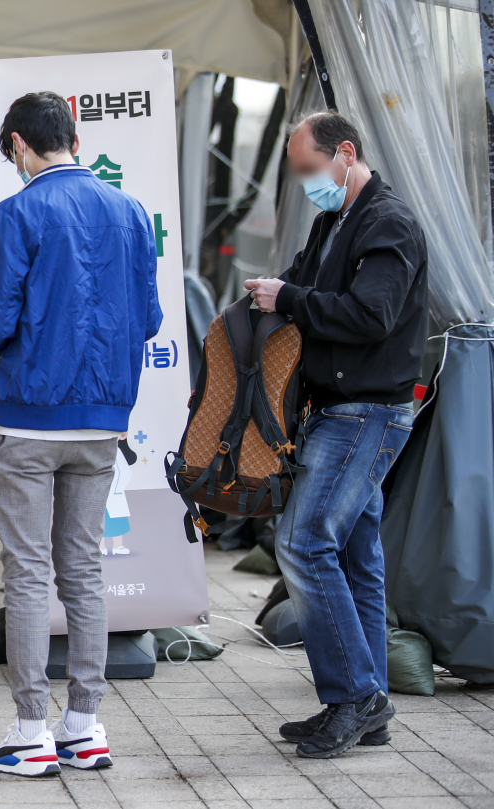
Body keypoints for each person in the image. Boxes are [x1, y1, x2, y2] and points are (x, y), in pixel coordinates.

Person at [0, 91, 161, 777]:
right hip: (103, 419)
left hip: (27, 417)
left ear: (19, 146)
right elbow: (149, 316)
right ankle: (84, 723)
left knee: (26, 572)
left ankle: (29, 729)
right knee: (83, 568)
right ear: (72, 138)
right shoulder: (132, 212)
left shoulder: (17, 211)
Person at [244, 111, 427, 759]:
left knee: (302, 542)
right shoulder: (333, 223)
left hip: (364, 412)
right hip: (339, 408)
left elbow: (370, 314)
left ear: (345, 153)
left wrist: (286, 300)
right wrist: (273, 297)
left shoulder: (389, 223)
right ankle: (367, 705)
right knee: (354, 556)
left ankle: (353, 696)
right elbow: (297, 288)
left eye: (308, 168)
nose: (304, 182)